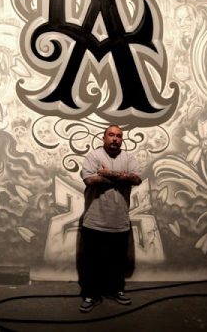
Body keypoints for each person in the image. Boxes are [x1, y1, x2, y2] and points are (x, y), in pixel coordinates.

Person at [77, 125, 142, 313]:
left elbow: (137, 179)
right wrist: (122, 177)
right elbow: (90, 180)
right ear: (104, 137)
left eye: (119, 136)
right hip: (94, 220)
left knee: (117, 261)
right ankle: (90, 295)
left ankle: (116, 291)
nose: (115, 138)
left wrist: (106, 174)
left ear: (122, 140)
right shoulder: (93, 156)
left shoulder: (128, 158)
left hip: (119, 221)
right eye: (111, 135)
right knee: (91, 262)